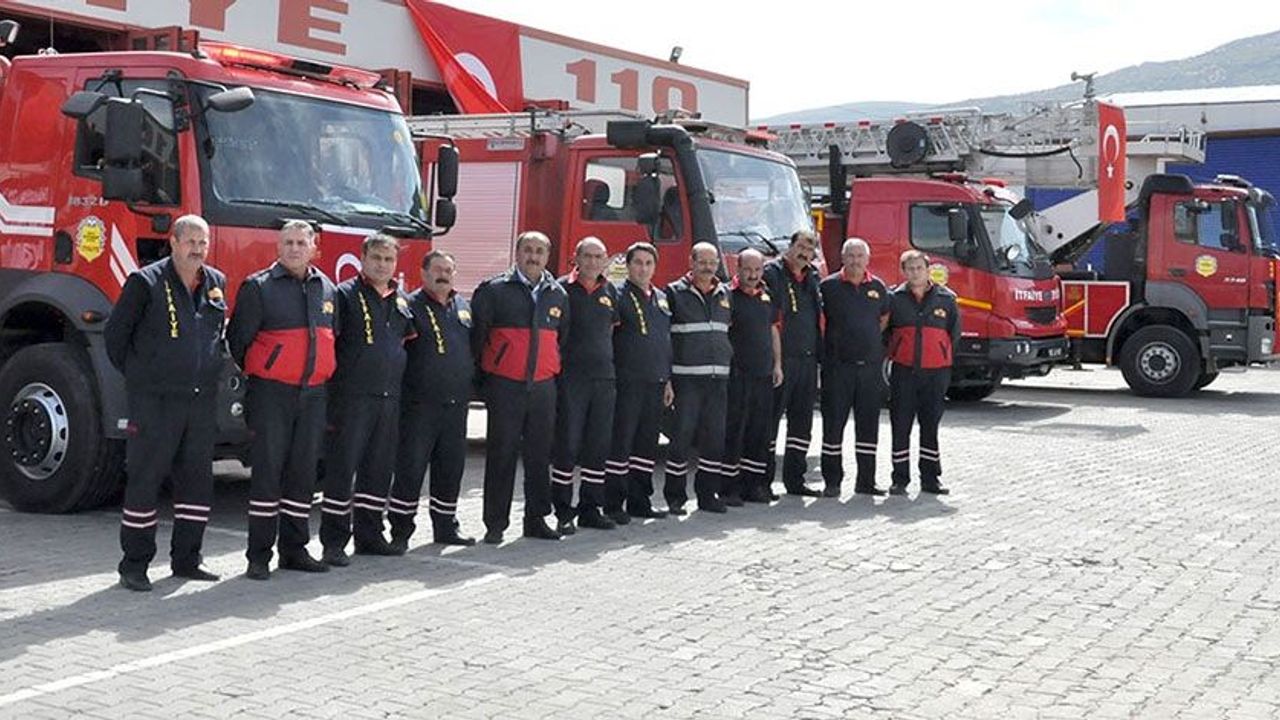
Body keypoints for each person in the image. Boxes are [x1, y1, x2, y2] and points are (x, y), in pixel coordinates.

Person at [104, 215, 226, 591]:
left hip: (200, 402)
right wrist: (144, 379)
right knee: (146, 479)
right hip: (155, 402)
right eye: (190, 241)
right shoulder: (145, 282)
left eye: (203, 243)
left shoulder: (216, 283)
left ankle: (188, 559)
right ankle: (134, 564)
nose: (197, 249)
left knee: (196, 483)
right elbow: (116, 337)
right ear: (173, 242)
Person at [227, 220, 337, 580]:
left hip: (313, 395)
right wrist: (270, 367)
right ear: (278, 247)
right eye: (288, 242)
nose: (294, 249)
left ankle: (295, 550)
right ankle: (258, 556)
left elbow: (332, 336)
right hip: (271, 394)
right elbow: (238, 340)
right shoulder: (259, 287)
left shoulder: (327, 288)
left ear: (313, 248)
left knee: (303, 474)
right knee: (268, 474)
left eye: (301, 243)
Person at [319, 233, 415, 565]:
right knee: (342, 470)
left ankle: (370, 536)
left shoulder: (401, 300)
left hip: (388, 399)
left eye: (389, 259)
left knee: (379, 469)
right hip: (351, 398)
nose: (382, 265)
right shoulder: (344, 295)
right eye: (376, 258)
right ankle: (333, 542)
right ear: (363, 259)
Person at [471, 230, 570, 544]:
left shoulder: (557, 294)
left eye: (540, 251)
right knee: (501, 454)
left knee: (539, 456)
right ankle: (495, 523)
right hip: (505, 386)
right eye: (528, 250)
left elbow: (562, 340)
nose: (533, 256)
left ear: (548, 256)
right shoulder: (494, 290)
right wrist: (485, 381)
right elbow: (477, 338)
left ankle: (536, 520)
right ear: (517, 253)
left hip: (543, 387)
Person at [389, 250, 477, 548]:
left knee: (450, 469)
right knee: (410, 470)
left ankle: (446, 527)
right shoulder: (408, 306)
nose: (443, 275)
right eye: (437, 270)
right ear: (424, 273)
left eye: (448, 270)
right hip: (419, 406)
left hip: (456, 406)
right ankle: (400, 532)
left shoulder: (462, 306)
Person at [550, 237, 621, 534]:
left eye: (598, 256)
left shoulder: (610, 291)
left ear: (605, 260)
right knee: (567, 445)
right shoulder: (560, 289)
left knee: (598, 446)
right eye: (587, 256)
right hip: (571, 379)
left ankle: (591, 509)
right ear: (576, 258)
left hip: (603, 379)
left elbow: (612, 332)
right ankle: (563, 511)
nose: (593, 262)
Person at [604, 242, 672, 524]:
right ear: (628, 265)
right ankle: (613, 504)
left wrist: (667, 381)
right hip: (627, 382)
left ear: (655, 267)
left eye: (648, 263)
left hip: (656, 382)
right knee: (621, 443)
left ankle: (640, 501)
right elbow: (608, 337)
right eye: (638, 263)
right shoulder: (616, 294)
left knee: (646, 445)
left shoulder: (661, 298)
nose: (643, 269)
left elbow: (665, 341)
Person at [664, 242, 734, 514]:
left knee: (714, 440)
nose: (708, 267)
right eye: (702, 262)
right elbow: (664, 337)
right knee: (681, 438)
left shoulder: (725, 293)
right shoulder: (674, 293)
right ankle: (675, 497)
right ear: (691, 262)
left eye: (712, 262)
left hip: (718, 381)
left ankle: (707, 495)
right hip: (687, 380)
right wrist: (668, 378)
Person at [819, 238, 892, 497]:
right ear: (842, 258)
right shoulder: (828, 286)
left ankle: (866, 481)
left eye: (860, 256)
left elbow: (884, 318)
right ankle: (832, 482)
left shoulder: (878, 287)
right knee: (833, 426)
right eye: (850, 255)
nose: (855, 260)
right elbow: (820, 321)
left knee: (868, 426)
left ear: (867, 259)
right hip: (838, 368)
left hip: (869, 370)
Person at [885, 250, 961, 495]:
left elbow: (954, 335)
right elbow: (885, 333)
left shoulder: (946, 299)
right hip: (904, 372)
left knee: (930, 426)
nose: (915, 272)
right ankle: (899, 479)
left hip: (935, 373)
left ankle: (931, 479)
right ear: (903, 271)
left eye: (919, 268)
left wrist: (940, 355)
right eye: (910, 268)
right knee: (900, 425)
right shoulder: (894, 298)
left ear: (928, 270)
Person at [763, 229, 823, 497]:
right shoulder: (773, 274)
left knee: (802, 424)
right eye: (800, 247)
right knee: (770, 421)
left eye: (809, 250)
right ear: (790, 246)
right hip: (781, 360)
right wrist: (776, 362)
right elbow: (770, 320)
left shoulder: (813, 277)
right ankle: (762, 481)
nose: (804, 254)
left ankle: (796, 480)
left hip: (807, 359)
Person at [723, 249, 783, 505]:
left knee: (759, 432)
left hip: (764, 373)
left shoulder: (767, 295)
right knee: (735, 431)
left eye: (757, 270)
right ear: (737, 268)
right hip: (738, 374)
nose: (753, 275)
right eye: (748, 269)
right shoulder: (727, 295)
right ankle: (729, 488)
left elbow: (773, 331)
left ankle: (754, 486)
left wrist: (777, 365)